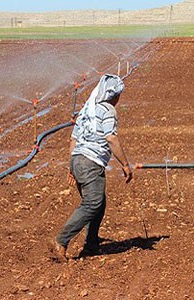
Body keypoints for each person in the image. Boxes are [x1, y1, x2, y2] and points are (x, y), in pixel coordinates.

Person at [52, 74, 133, 261]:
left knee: (98, 202)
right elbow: (111, 138)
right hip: (90, 162)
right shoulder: (108, 110)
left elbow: (74, 139)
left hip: (78, 159)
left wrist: (71, 167)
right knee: (92, 203)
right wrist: (125, 165)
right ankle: (61, 240)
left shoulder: (87, 109)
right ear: (115, 95)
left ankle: (92, 243)